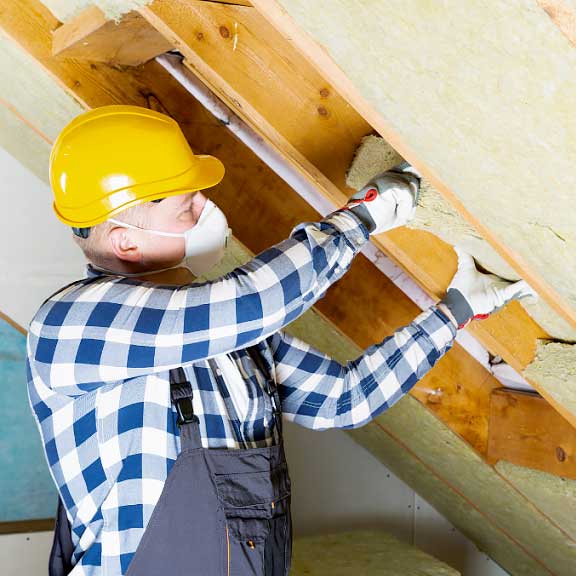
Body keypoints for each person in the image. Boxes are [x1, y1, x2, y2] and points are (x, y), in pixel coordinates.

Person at [26, 105, 534, 576]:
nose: (203, 206)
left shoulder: (222, 332)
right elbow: (254, 303)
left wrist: (455, 312)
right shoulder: (71, 326)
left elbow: (343, 398)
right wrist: (363, 217)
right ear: (127, 242)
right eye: (186, 205)